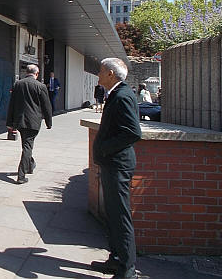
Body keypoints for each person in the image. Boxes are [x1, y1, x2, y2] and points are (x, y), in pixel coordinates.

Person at [91, 58, 141, 279]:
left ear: (111, 74)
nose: (98, 74)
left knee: (120, 216)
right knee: (112, 214)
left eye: (101, 71)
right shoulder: (116, 94)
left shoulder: (123, 96)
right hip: (112, 163)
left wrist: (104, 149)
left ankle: (127, 270)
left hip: (118, 165)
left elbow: (132, 132)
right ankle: (116, 259)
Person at [6, 64, 52, 184]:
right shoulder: (40, 86)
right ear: (37, 74)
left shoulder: (18, 84)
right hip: (33, 121)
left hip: (20, 121)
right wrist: (49, 122)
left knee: (26, 144)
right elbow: (47, 106)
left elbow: (12, 104)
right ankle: (21, 175)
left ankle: (30, 165)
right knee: (27, 146)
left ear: (26, 72)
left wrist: (9, 122)